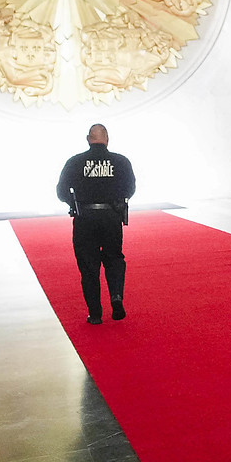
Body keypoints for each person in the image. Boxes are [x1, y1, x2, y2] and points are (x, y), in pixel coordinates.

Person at [56, 124, 137, 326]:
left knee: (88, 265)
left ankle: (95, 313)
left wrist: (74, 204)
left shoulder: (75, 162)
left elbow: (61, 191)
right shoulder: (121, 161)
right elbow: (130, 188)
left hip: (85, 218)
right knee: (114, 258)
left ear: (87, 139)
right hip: (111, 217)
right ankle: (116, 295)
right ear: (107, 139)